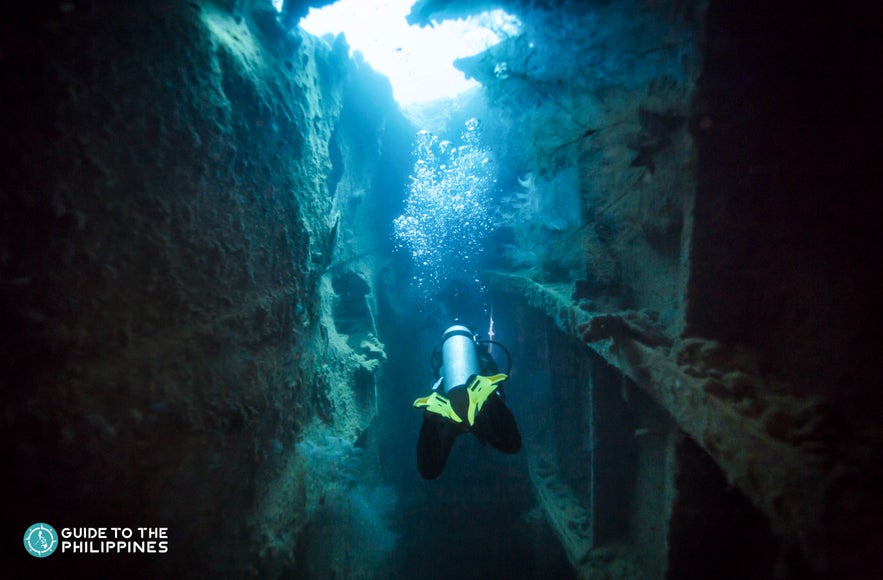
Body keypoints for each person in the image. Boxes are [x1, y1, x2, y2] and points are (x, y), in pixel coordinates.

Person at [413, 323, 522, 479]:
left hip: (449, 408)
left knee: (429, 470)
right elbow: (495, 381)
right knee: (512, 444)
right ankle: (487, 399)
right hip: (480, 407)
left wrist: (431, 420)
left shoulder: (442, 361)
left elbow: (426, 471)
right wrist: (492, 399)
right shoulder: (481, 356)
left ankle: (432, 417)